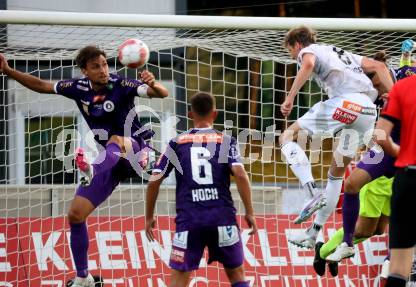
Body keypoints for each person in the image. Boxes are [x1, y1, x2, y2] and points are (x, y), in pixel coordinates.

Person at [0, 46, 169, 287]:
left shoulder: (121, 84)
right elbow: (41, 85)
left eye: (104, 64)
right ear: (84, 71)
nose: (103, 70)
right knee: (76, 215)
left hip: (138, 152)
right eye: (96, 66)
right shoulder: (78, 88)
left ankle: (92, 169)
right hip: (110, 162)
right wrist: (7, 70)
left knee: (116, 141)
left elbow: (161, 94)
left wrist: (153, 84)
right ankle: (83, 277)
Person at [279, 26, 394, 249]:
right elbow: (379, 66)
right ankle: (313, 233)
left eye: (290, 51)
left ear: (297, 44)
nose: (293, 56)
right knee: (335, 173)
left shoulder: (308, 51)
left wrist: (290, 98)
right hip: (368, 111)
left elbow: (309, 64)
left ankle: (311, 192)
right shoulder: (342, 53)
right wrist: (397, 95)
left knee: (286, 137)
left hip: (346, 104)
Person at [145, 92, 257, 287]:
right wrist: (250, 211)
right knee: (237, 274)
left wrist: (149, 216)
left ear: (190, 114)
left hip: (190, 221)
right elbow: (240, 175)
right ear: (215, 114)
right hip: (222, 219)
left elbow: (154, 180)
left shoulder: (177, 143)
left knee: (179, 278)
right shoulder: (226, 141)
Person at [326, 52, 416, 262]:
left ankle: (391, 260)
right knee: (351, 184)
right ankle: (346, 244)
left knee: (403, 213)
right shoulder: (370, 95)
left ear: (382, 70)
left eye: (373, 79)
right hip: (383, 150)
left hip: (411, 151)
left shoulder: (409, 74)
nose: (372, 86)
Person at [375, 28, 416, 287]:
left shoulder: (403, 88)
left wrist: (399, 152)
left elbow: (380, 135)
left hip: (408, 179)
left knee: (399, 268)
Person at [313, 176, 393, 277]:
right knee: (362, 230)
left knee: (379, 229)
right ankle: (322, 251)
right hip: (378, 184)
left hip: (394, 183)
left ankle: (334, 250)